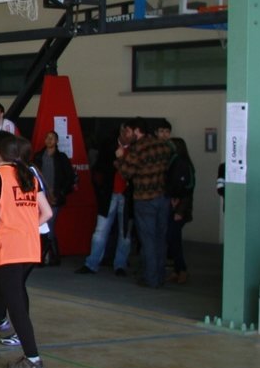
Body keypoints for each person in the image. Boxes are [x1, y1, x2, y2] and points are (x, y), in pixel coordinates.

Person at [0, 131, 53, 368]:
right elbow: (47, 213)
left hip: (8, 248)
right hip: (29, 247)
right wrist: (24, 228)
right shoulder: (27, 174)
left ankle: (33, 359)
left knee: (15, 305)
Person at [117, 118, 175, 288]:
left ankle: (151, 278)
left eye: (128, 131)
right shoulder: (163, 146)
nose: (127, 135)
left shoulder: (137, 148)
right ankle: (160, 276)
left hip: (144, 199)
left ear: (137, 131)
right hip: (162, 198)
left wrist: (120, 159)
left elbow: (126, 173)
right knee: (160, 239)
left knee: (148, 240)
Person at [75, 121, 136, 276]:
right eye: (128, 132)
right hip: (109, 194)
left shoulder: (136, 149)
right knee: (100, 231)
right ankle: (92, 263)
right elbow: (100, 168)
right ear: (122, 132)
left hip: (127, 195)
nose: (131, 135)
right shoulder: (109, 146)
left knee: (124, 233)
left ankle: (120, 264)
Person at [32, 130, 74, 266]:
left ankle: (44, 256)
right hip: (40, 196)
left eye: (52, 138)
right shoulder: (38, 156)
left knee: (48, 225)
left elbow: (69, 177)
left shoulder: (61, 158)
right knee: (44, 226)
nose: (49, 140)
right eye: (47, 137)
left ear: (56, 141)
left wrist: (61, 193)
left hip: (55, 196)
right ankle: (52, 256)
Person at [166, 137, 195, 284]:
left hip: (179, 208)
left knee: (174, 238)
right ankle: (177, 270)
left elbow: (186, 190)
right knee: (173, 239)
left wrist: (180, 210)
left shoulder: (180, 164)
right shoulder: (177, 162)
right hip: (175, 206)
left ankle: (181, 269)